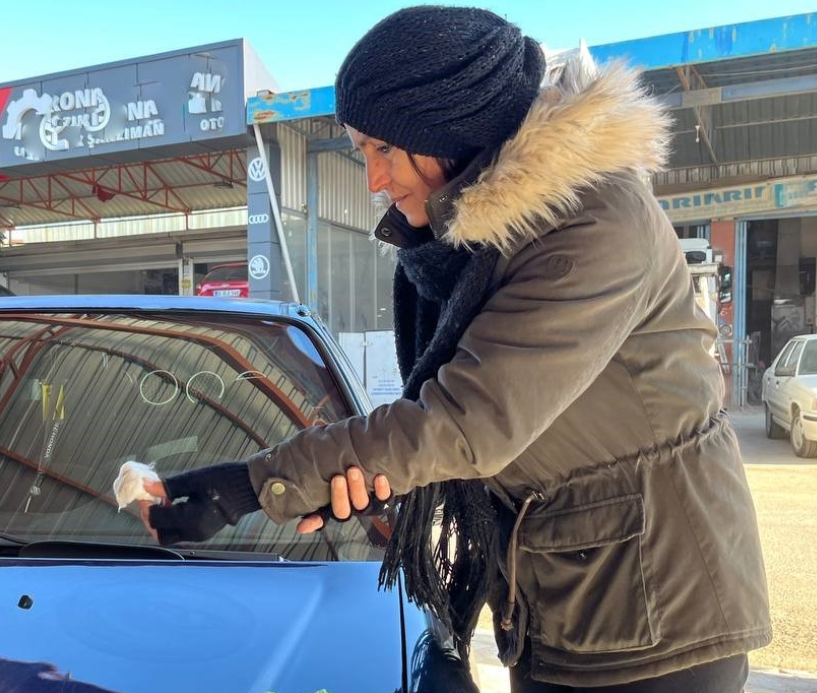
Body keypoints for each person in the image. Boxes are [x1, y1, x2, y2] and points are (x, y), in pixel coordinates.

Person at [139, 7, 771, 692]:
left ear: (449, 130)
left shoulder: (596, 222)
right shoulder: (464, 245)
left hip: (659, 614)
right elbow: (434, 433)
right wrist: (357, 477)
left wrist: (246, 485)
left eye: (385, 149)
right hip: (560, 599)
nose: (374, 179)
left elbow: (464, 423)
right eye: (362, 151)